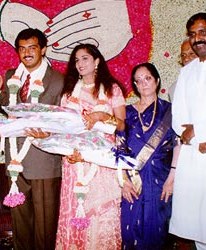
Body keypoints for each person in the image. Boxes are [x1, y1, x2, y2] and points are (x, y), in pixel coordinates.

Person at [0, 28, 64, 250]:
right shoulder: (12, 76)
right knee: (21, 225)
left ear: (43, 49)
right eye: (22, 49)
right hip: (15, 163)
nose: (27, 53)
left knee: (45, 227)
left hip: (44, 161)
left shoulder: (58, 79)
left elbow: (64, 118)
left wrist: (51, 131)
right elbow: (12, 110)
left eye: (32, 48)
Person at [46, 43, 124, 249]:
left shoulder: (112, 89)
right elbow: (63, 127)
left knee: (101, 215)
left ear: (97, 61)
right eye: (76, 60)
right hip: (74, 160)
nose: (79, 63)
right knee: (75, 212)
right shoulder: (70, 92)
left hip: (101, 161)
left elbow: (123, 126)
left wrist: (102, 116)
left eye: (85, 58)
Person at [170, 12, 206, 249]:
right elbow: (178, 118)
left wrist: (200, 131)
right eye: (192, 34)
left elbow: (197, 126)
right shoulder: (186, 73)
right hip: (193, 158)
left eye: (203, 32)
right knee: (200, 230)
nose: (197, 39)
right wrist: (196, 140)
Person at [119, 62, 177, 249]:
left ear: (157, 81)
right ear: (135, 85)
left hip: (161, 180)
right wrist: (124, 181)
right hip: (132, 182)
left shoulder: (171, 111)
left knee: (158, 232)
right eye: (138, 81)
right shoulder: (126, 113)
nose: (143, 84)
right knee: (129, 232)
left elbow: (179, 145)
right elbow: (118, 147)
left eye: (148, 78)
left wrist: (172, 179)